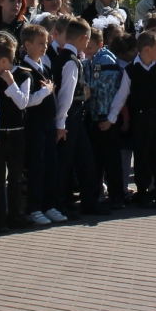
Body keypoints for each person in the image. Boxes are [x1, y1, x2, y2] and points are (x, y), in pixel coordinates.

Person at [111, 30, 156, 203]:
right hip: (140, 118)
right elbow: (121, 95)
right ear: (146, 49)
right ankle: (143, 191)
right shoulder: (131, 70)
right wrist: (111, 117)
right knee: (141, 155)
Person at [52, 17, 105, 217]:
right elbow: (66, 94)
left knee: (85, 159)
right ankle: (60, 204)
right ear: (83, 38)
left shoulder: (65, 57)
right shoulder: (71, 61)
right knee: (66, 162)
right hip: (69, 117)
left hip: (74, 116)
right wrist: (61, 123)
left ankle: (88, 202)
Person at [0, 32, 30, 232]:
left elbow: (22, 103)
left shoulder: (23, 75)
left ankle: (15, 215)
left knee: (15, 177)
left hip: (17, 133)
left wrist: (11, 83)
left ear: (4, 61)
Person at [17, 24, 61, 226]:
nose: (45, 47)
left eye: (46, 43)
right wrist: (45, 92)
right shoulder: (23, 71)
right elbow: (26, 101)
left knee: (51, 165)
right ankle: (34, 208)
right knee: (37, 167)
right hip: (34, 125)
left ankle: (49, 205)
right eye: (40, 43)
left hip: (49, 123)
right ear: (27, 45)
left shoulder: (45, 67)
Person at [84, 26, 126, 209]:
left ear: (100, 44)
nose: (87, 50)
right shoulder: (91, 60)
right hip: (97, 117)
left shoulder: (105, 60)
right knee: (98, 159)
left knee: (111, 159)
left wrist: (104, 118)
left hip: (106, 118)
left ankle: (117, 196)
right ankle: (101, 194)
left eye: (90, 47)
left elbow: (106, 92)